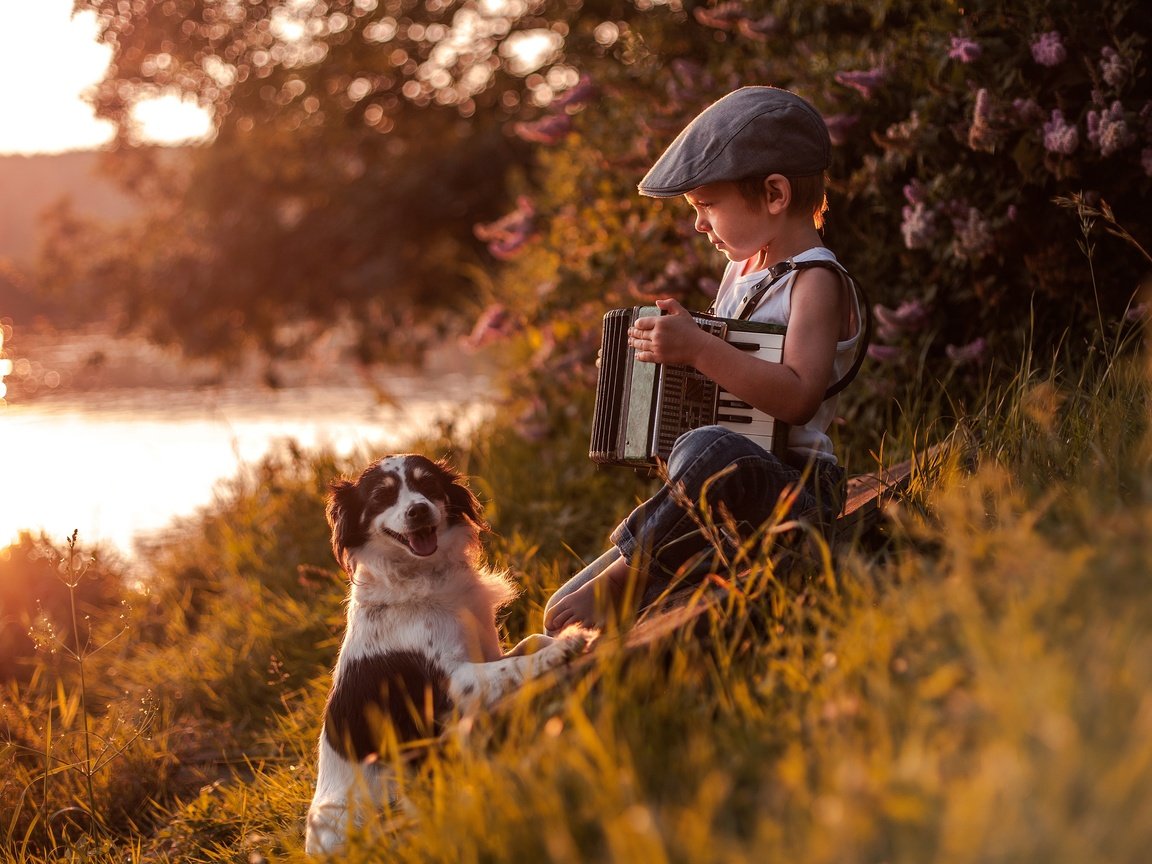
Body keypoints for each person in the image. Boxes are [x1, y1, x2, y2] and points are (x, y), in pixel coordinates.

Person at [542, 85, 866, 635]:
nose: (698, 224)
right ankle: (635, 569)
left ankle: (631, 576)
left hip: (798, 487)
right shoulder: (740, 272)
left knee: (708, 450)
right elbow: (727, 384)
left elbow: (796, 395)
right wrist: (663, 359)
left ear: (774, 193)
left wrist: (699, 346)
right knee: (566, 600)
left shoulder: (817, 282)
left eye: (707, 206)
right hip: (730, 478)